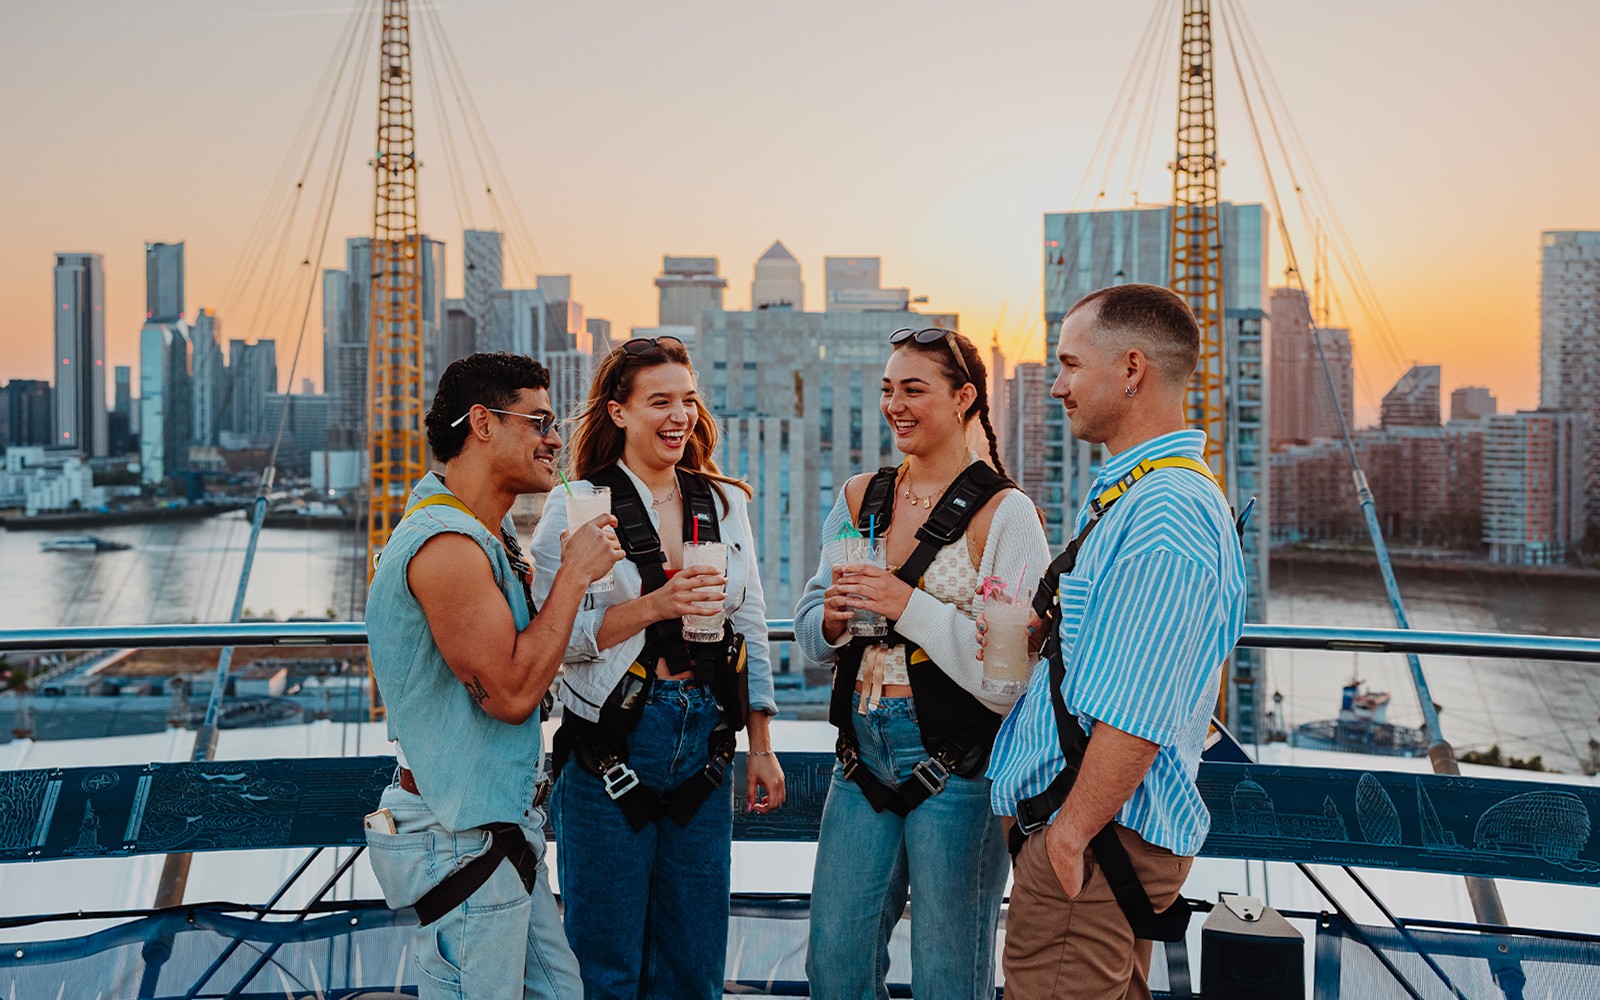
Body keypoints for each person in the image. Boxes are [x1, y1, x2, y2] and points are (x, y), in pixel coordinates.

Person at [985, 284, 1247, 1000]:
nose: (1057, 386)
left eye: (1070, 365)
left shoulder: (1165, 514)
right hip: (1098, 848)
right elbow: (1131, 662)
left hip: (1095, 850)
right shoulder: (1141, 496)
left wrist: (1066, 840)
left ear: (1132, 369)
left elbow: (1139, 713)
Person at [794, 327, 1050, 1000]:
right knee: (833, 969)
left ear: (964, 397)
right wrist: (830, 618)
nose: (895, 405)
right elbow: (809, 634)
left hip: (960, 771)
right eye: (887, 390)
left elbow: (1011, 682)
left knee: (948, 976)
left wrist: (907, 605)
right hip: (861, 761)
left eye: (914, 389)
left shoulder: (1006, 514)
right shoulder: (860, 498)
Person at [530, 334, 785, 1000]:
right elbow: (556, 639)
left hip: (705, 744)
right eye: (660, 402)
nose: (680, 416)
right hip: (612, 747)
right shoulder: (577, 505)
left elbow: (750, 624)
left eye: (688, 401)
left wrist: (762, 744)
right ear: (618, 412)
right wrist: (654, 606)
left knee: (693, 964)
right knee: (605, 966)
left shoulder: (723, 504)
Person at [364, 353, 623, 1000]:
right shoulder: (446, 547)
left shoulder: (492, 534)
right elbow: (509, 694)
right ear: (481, 422)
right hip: (462, 840)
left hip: (499, 828)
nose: (555, 439)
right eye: (538, 421)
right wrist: (572, 578)